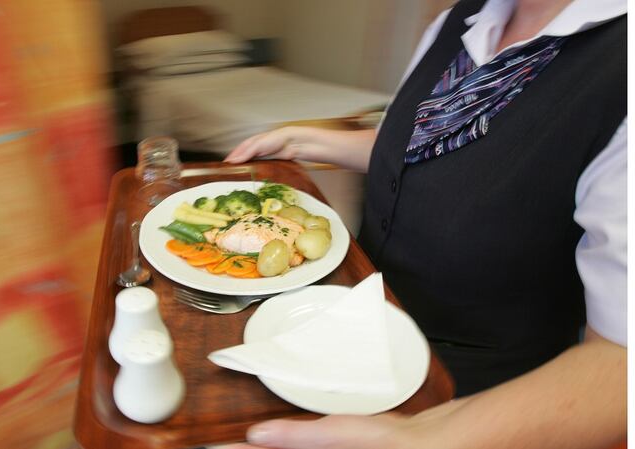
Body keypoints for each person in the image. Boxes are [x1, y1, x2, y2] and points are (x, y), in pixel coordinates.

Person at [223, 0, 627, 447]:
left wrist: (426, 439)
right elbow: (422, 142)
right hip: (356, 317)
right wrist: (306, 140)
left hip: (473, 396)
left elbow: (619, 363)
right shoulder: (458, 20)